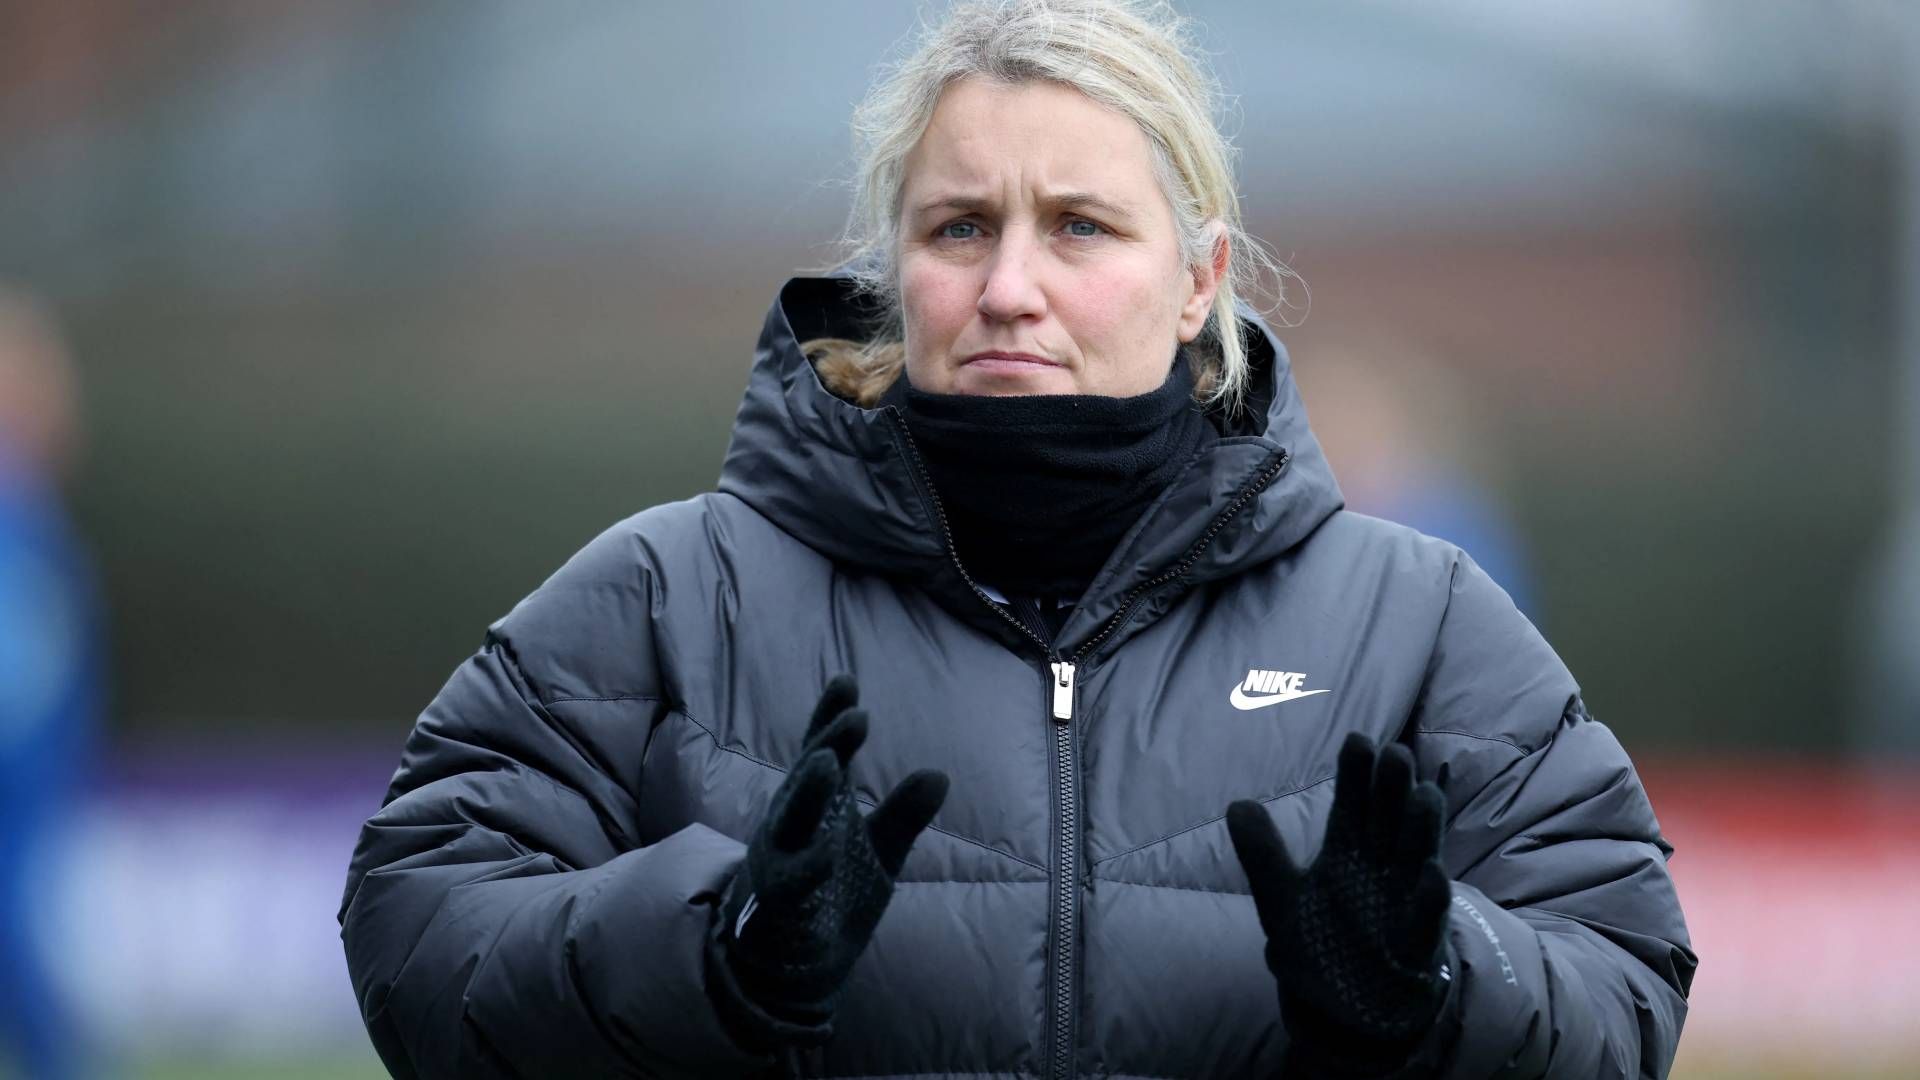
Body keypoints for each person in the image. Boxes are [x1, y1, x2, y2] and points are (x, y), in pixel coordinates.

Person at [338, 2, 1695, 1076]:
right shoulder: (671, 594)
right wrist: (712, 944)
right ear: (895, 270)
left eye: (1080, 227)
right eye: (960, 227)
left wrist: (1435, 982)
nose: (1007, 287)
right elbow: (416, 926)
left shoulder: (1418, 620)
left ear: (1199, 281)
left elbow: (1624, 980)